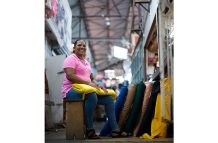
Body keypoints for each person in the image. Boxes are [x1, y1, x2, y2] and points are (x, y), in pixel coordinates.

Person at [61, 39, 123, 139]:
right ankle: (89, 129)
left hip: (86, 90)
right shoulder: (71, 58)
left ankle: (115, 129)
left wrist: (98, 85)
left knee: (109, 99)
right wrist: (89, 84)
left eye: (84, 45)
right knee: (92, 95)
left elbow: (91, 78)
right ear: (74, 48)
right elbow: (70, 76)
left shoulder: (86, 62)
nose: (82, 47)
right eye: (79, 45)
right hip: (71, 90)